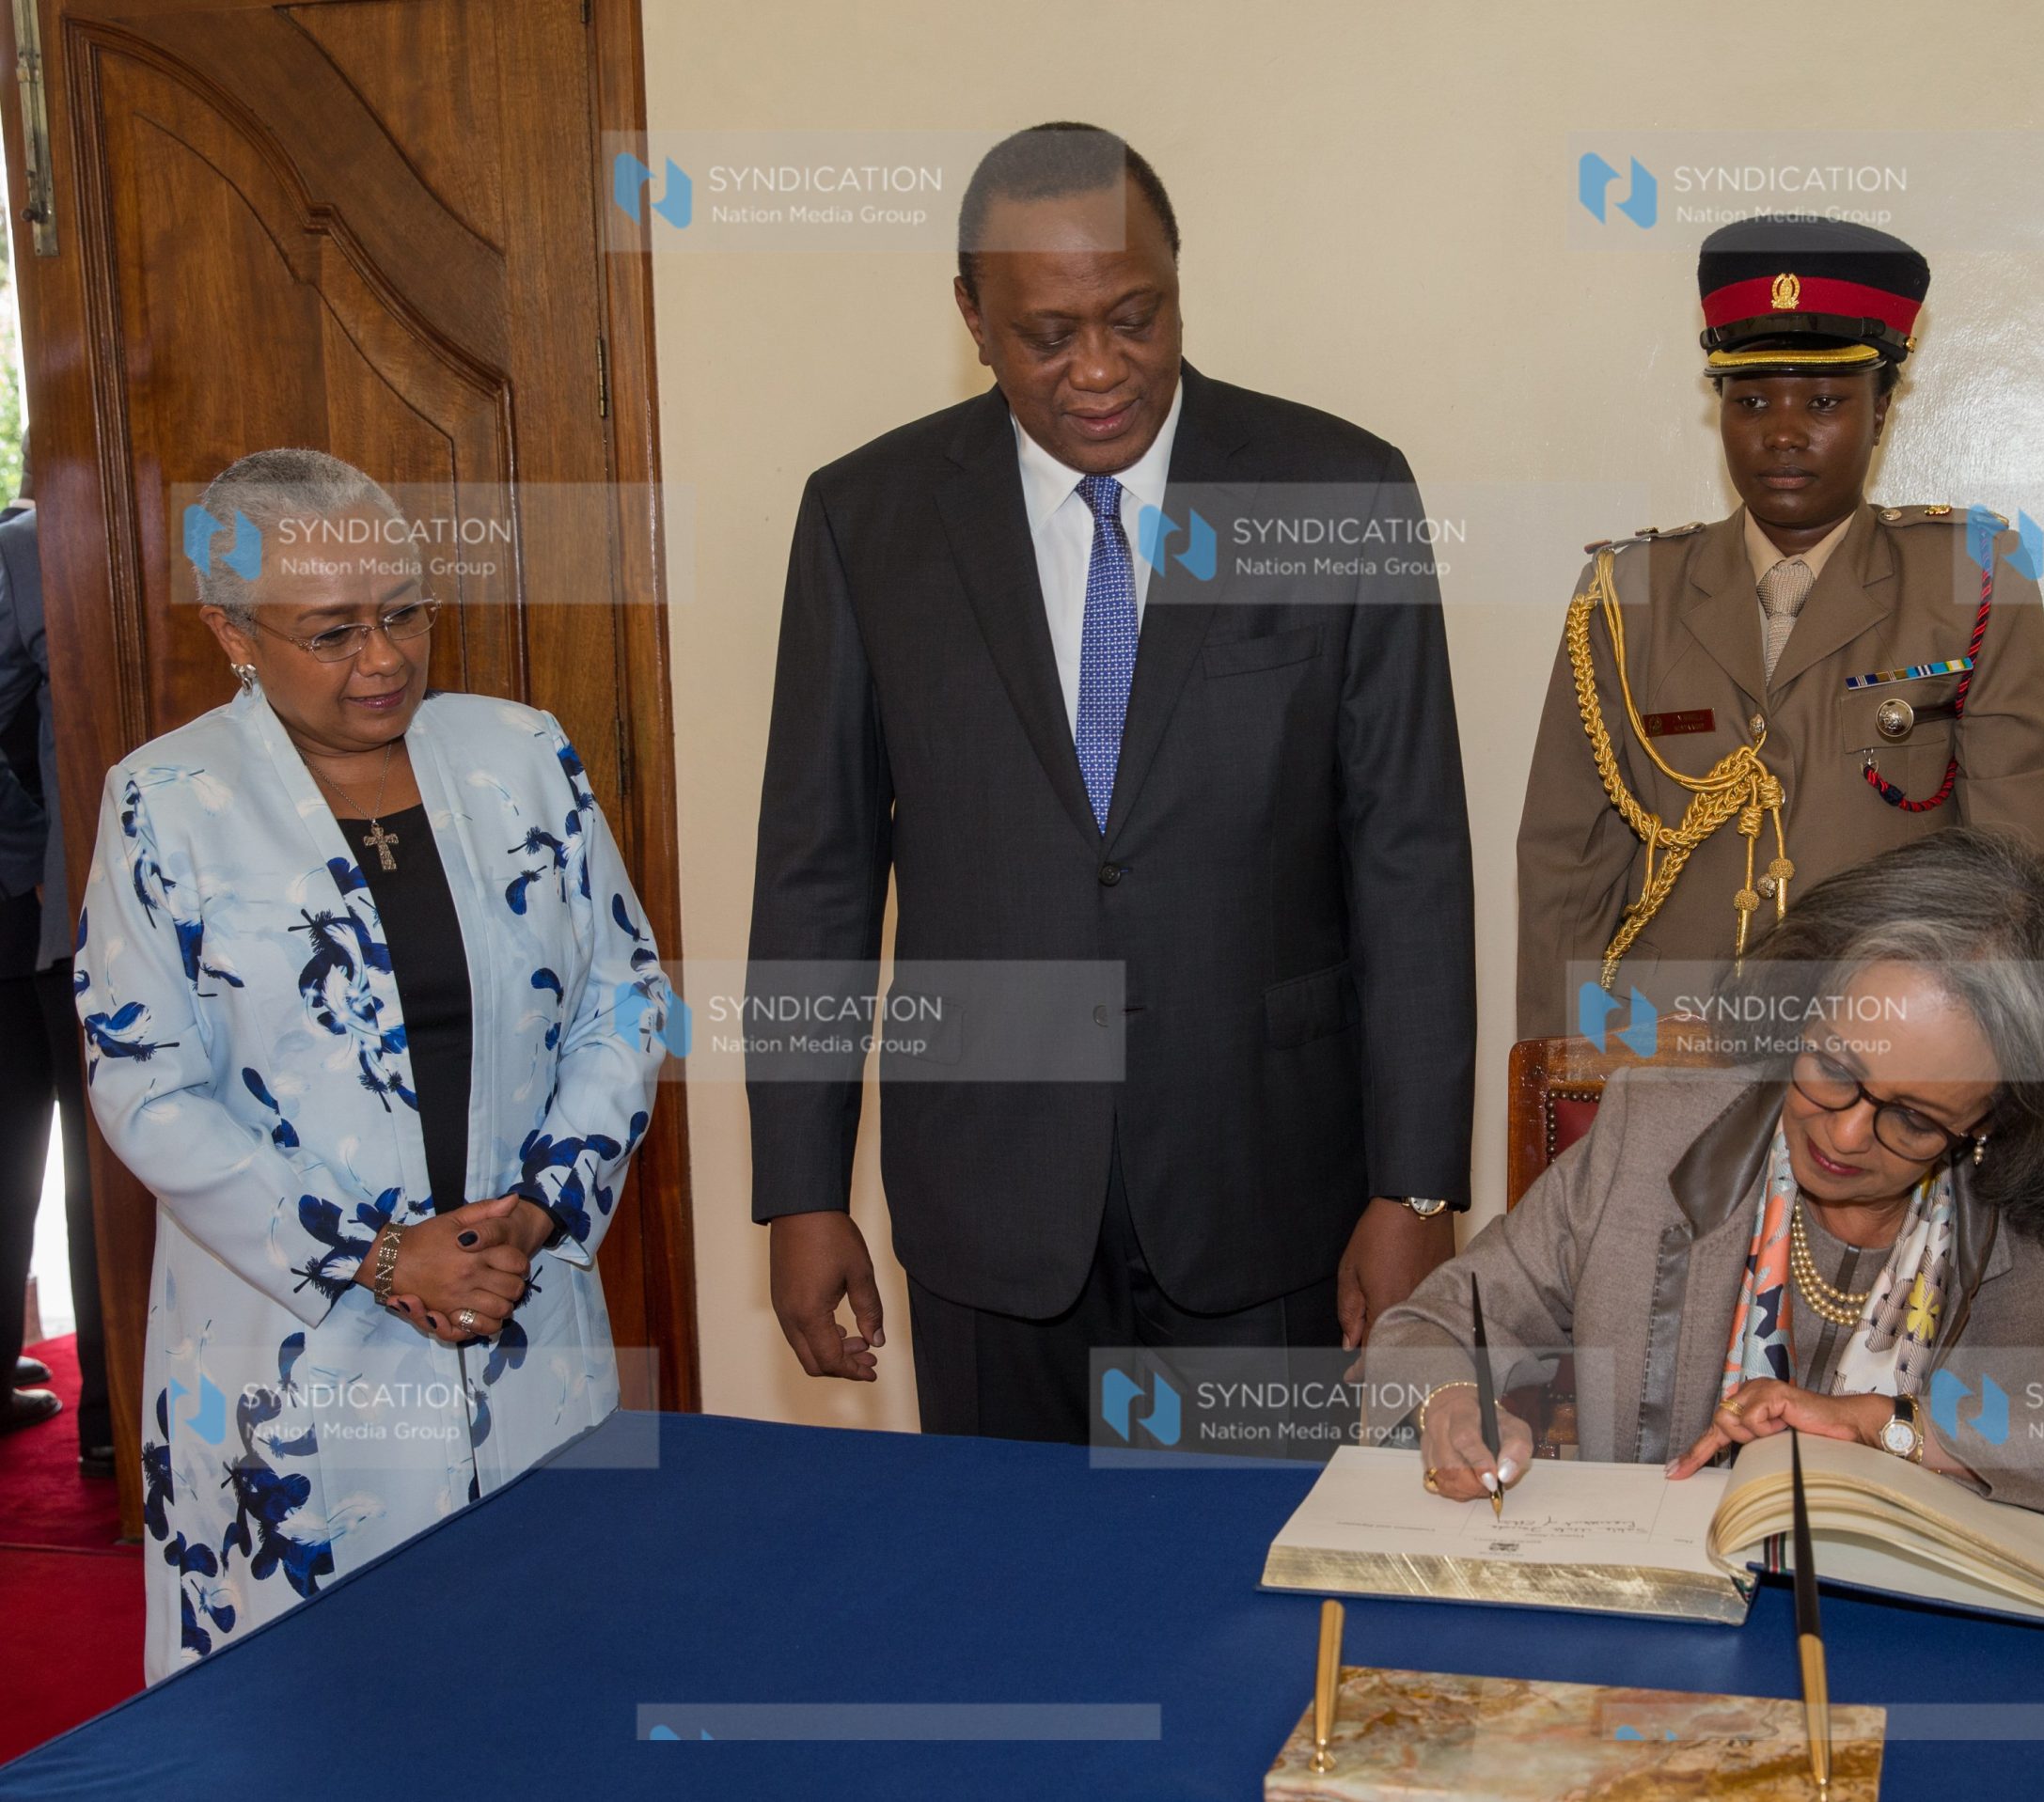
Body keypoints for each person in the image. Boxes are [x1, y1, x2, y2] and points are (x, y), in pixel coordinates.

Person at [749, 123, 1476, 1443]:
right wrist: (800, 1186)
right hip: (988, 1208)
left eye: (1136, 318)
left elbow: (1410, 860)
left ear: (1180, 284)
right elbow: (819, 875)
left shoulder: (1338, 488)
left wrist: (1417, 1188)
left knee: (1251, 1609)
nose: (1100, 370)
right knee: (1006, 1604)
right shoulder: (871, 519)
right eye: (1049, 334)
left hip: (1268, 1194)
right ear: (972, 317)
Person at [76, 449, 672, 1678]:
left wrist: (541, 1209)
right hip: (297, 1362)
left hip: (523, 1306)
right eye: (333, 631)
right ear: (231, 631)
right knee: (316, 1713)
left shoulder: (521, 756)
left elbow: (623, 996)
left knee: (538, 1684)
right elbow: (143, 1083)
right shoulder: (167, 802)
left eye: (404, 611)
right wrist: (381, 1251)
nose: (386, 657)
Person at [1371, 829, 2044, 1529]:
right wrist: (1449, 1400)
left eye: (1915, 1118)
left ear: (1989, 1122)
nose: (1844, 1132)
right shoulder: (1653, 1137)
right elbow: (1429, 1323)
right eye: (1834, 1064)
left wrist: (1888, 1427)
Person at [1517, 216, 2044, 1037]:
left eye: (1823, 401)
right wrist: (1562, 1080)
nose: (1783, 432)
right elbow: (1566, 867)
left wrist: (1987, 1088)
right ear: (1720, 414)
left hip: (1885, 1063)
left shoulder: (1971, 579)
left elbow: (2022, 879)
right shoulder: (1628, 592)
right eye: (1751, 401)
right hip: (1666, 1054)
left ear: (1882, 413)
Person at [0, 502, 109, 1471]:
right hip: (58, 916)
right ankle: (114, 1425)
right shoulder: (29, 545)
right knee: (90, 1156)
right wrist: (29, 851)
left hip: (64, 912)